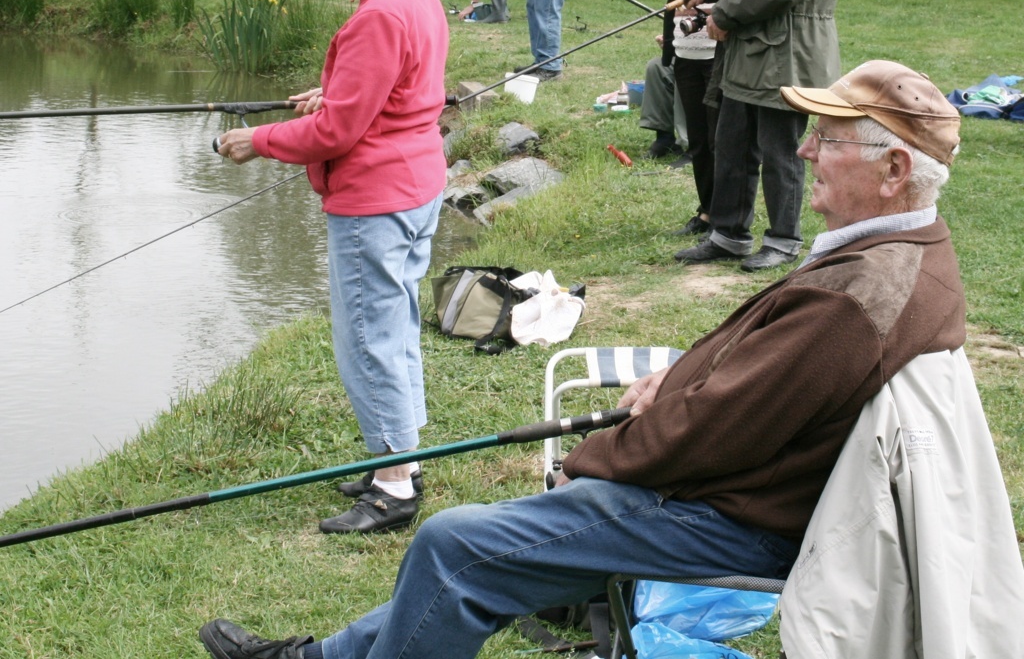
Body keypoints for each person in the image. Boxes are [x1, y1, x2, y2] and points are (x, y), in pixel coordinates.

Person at [199, 60, 980, 659]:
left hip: (736, 517)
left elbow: (718, 432)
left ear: (894, 170)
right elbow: (756, 372)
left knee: (453, 546)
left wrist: (599, 458)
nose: (805, 148)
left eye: (828, 138)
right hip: (741, 490)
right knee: (472, 554)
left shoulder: (860, 294)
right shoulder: (905, 251)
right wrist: (673, 378)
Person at [214, 0, 448, 535]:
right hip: (415, 184)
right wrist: (339, 92)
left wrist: (257, 139)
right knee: (396, 325)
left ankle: (396, 487)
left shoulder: (381, 12)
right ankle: (401, 458)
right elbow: (387, 94)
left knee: (369, 337)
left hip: (375, 200)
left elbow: (337, 130)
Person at [674, 0, 849, 271]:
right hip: (751, 50)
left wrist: (726, 16)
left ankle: (783, 240)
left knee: (779, 151)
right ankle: (728, 234)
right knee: (731, 143)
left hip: (788, 50)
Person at [647, 0, 743, 239]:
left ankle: (725, 217)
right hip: (686, 53)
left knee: (723, 140)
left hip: (718, 56)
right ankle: (707, 212)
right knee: (700, 142)